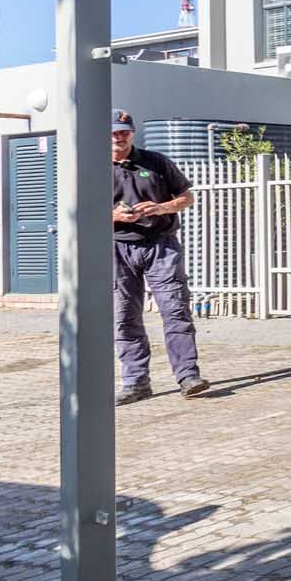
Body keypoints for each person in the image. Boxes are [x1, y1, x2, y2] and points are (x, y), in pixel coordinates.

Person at [111, 109, 210, 402]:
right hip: (118, 248)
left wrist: (161, 208)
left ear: (132, 133)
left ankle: (188, 376)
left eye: (124, 131)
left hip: (161, 245)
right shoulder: (92, 167)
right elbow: (81, 212)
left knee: (175, 309)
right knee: (125, 316)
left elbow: (186, 197)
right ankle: (136, 382)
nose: (119, 137)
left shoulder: (155, 162)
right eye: (114, 132)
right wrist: (114, 214)